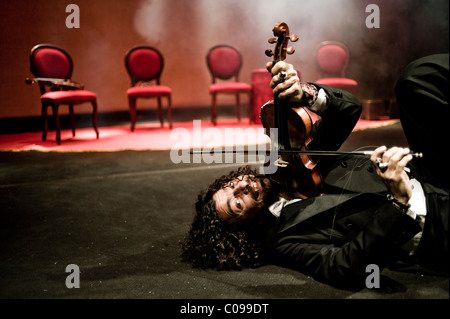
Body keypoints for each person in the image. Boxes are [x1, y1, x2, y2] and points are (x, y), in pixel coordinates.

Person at [181, 54, 449, 287]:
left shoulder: (292, 164)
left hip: (429, 170)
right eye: (237, 203)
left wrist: (303, 94)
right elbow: (342, 265)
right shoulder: (281, 239)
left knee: (417, 78)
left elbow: (348, 110)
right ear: (243, 228)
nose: (241, 185)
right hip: (432, 220)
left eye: (230, 185)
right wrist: (398, 202)